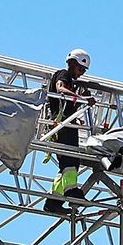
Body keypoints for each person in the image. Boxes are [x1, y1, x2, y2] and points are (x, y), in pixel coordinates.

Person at [42, 48, 92, 211]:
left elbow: (69, 101)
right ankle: (71, 191)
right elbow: (60, 88)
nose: (82, 73)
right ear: (72, 63)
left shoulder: (72, 82)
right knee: (70, 160)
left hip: (66, 123)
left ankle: (53, 201)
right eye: (81, 69)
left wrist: (82, 98)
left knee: (67, 163)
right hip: (63, 124)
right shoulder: (63, 74)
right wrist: (81, 98)